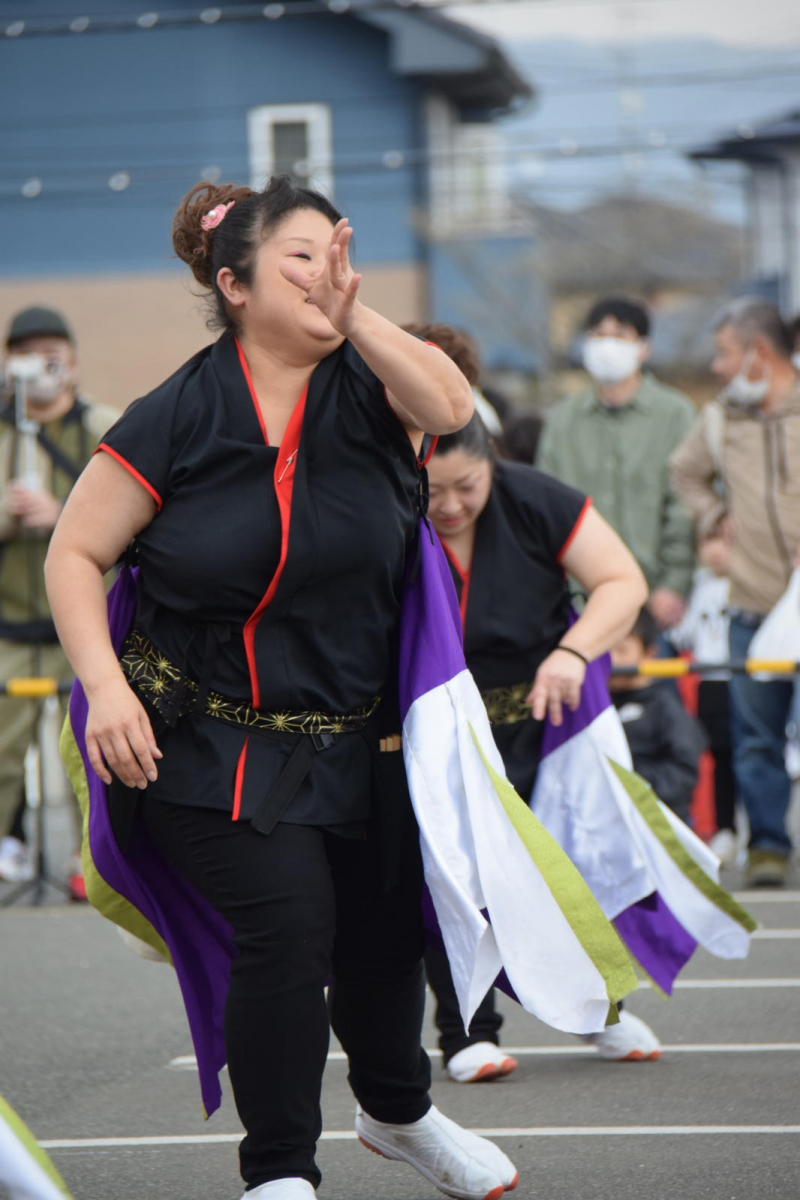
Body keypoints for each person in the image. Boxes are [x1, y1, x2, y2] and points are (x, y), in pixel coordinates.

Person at [44, 176, 531, 1200]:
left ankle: (398, 1115)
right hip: (206, 742)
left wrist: (358, 317)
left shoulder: (375, 386)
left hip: (362, 739)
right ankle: (278, 1174)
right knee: (286, 927)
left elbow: (453, 405)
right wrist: (107, 689)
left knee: (385, 937)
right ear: (233, 285)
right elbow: (73, 556)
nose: (324, 273)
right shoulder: (173, 416)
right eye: (298, 258)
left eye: (334, 251)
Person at [421, 390, 662, 1081]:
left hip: (548, 716)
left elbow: (621, 582)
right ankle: (467, 1033)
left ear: (491, 463)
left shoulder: (534, 499)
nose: (451, 506)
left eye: (466, 486)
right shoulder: (388, 510)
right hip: (445, 730)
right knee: (458, 877)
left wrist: (575, 651)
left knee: (573, 866)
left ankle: (600, 1008)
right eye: (432, 491)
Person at [670, 297, 800, 887]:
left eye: (725, 353)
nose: (718, 367)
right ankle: (769, 845)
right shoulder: (723, 417)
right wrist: (712, 517)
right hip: (751, 603)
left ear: (759, 352)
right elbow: (685, 472)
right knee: (754, 738)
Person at [0, 307, 116, 887]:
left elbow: (138, 508)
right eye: (25, 352)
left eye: (51, 350)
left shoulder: (106, 425)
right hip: (8, 626)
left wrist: (62, 515)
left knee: (90, 753)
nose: (41, 364)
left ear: (72, 358)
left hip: (88, 626)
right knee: (3, 751)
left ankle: (90, 867)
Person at [537, 296, 696, 631]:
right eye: (598, 334)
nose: (607, 344)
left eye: (620, 334)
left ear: (644, 348)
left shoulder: (675, 413)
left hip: (653, 598)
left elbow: (683, 504)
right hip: (579, 597)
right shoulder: (562, 419)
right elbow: (545, 507)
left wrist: (674, 584)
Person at [669, 535, 738, 863]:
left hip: (749, 675)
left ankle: (767, 836)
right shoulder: (697, 585)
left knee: (757, 754)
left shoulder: (753, 582)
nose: (715, 549)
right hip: (710, 679)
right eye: (707, 540)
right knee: (720, 755)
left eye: (722, 540)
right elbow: (683, 632)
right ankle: (727, 829)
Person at [609, 608, 706, 826]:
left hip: (658, 824)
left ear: (649, 654)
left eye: (622, 650)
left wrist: (630, 783)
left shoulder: (666, 706)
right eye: (605, 650)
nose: (612, 660)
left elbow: (684, 773)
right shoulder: (594, 707)